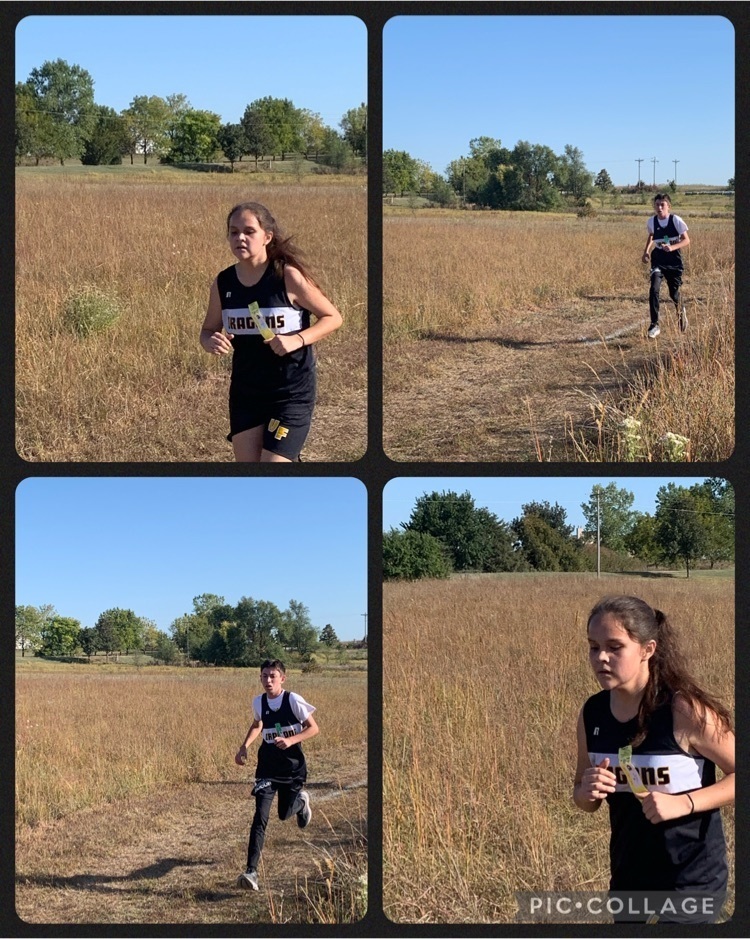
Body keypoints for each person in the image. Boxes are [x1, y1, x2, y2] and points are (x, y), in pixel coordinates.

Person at [574, 596, 734, 923]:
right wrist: (587, 791)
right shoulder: (592, 714)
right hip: (629, 874)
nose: (601, 657)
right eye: (593, 646)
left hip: (692, 877)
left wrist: (684, 803)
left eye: (615, 647)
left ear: (647, 649)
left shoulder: (683, 711)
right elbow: (582, 796)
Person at [200, 202, 343, 462]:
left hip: (289, 391)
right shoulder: (223, 283)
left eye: (248, 231)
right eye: (233, 232)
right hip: (246, 391)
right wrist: (211, 341)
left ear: (267, 237)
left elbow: (333, 317)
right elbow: (208, 330)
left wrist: (297, 339)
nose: (240, 238)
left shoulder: (287, 277)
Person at [234, 659, 319, 891]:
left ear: (283, 678)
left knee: (283, 814)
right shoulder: (259, 702)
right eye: (264, 676)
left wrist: (291, 740)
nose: (268, 680)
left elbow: (313, 727)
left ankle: (301, 803)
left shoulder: (293, 700)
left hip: (292, 768)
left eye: (273, 676)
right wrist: (244, 747)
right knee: (260, 817)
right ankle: (251, 872)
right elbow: (257, 724)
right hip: (267, 769)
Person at [641, 193, 690, 339]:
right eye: (657, 204)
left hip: (674, 260)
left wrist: (673, 248)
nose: (659, 207)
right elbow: (651, 235)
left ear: (668, 206)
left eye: (662, 204)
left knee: (673, 294)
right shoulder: (651, 221)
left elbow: (686, 240)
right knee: (654, 288)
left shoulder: (676, 220)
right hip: (658, 259)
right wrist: (646, 251)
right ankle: (654, 324)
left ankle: (681, 313)